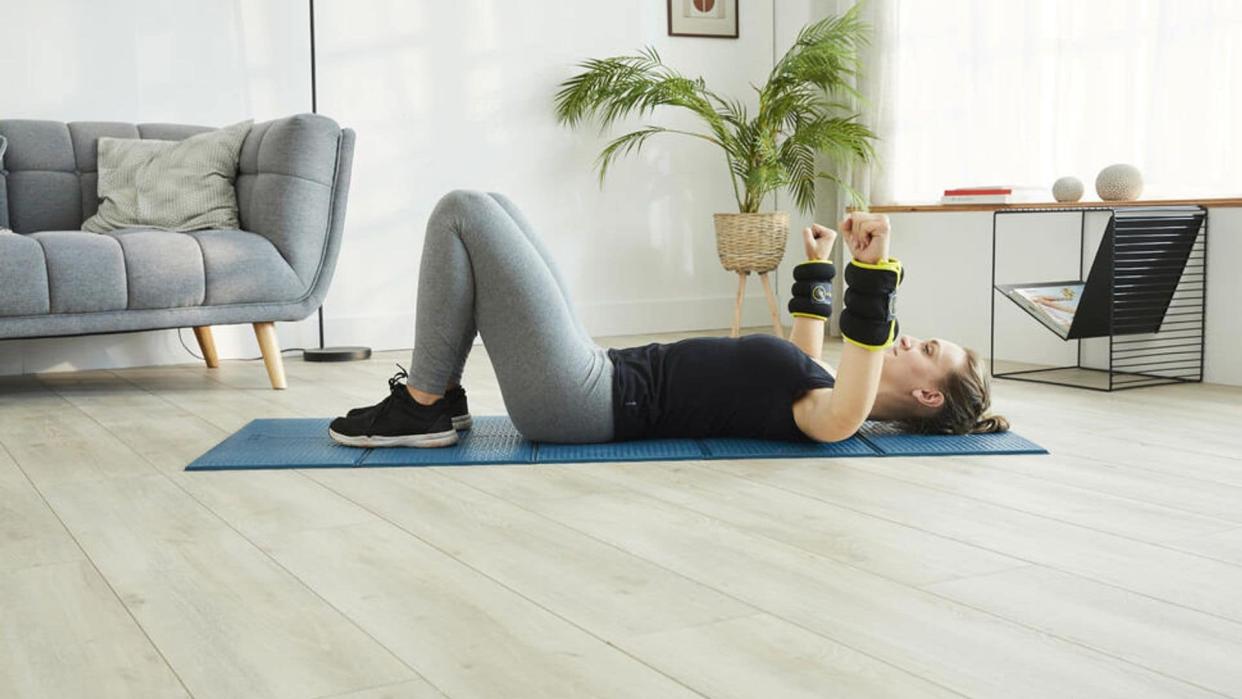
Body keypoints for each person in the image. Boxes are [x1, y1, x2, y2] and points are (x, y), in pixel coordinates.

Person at [328, 190, 1008, 448]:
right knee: (494, 207)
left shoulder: (836, 416)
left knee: (463, 212)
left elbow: (846, 407)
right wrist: (821, 267)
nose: (912, 338)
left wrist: (874, 273)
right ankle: (434, 398)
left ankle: (423, 403)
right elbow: (807, 348)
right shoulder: (820, 386)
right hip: (596, 372)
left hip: (581, 398)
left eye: (930, 349)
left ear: (927, 393)